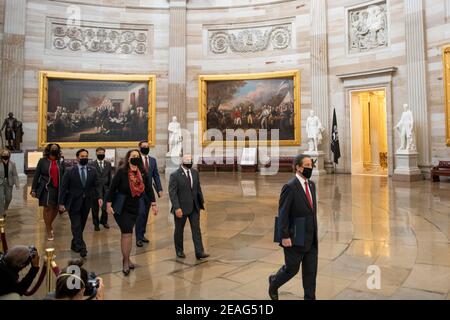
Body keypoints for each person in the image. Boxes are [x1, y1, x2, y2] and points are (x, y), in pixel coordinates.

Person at [269, 154, 318, 300]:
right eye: (307, 166)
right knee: (291, 269)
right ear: (298, 167)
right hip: (295, 235)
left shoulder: (311, 185)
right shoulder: (290, 187)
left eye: (311, 165)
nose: (310, 168)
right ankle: (274, 282)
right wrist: (284, 236)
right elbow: (283, 213)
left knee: (310, 272)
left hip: (311, 238)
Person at [106, 149, 157, 275]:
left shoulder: (142, 172)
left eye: (137, 156)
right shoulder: (121, 172)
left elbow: (149, 189)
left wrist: (154, 203)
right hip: (122, 206)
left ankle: (127, 259)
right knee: (127, 233)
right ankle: (125, 261)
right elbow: (112, 189)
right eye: (133, 156)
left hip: (135, 206)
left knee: (129, 233)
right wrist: (108, 204)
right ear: (128, 158)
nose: (135, 158)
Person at [59, 149, 102, 258]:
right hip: (73, 203)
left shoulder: (92, 170)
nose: (84, 158)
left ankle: (74, 244)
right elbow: (63, 188)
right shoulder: (70, 171)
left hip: (87, 202)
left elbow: (97, 185)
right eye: (82, 156)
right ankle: (82, 247)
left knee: (81, 225)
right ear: (77, 158)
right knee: (76, 225)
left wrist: (99, 197)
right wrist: (61, 203)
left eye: (86, 156)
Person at [168, 154, 209, 260]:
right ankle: (179, 250)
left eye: (190, 160)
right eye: (187, 160)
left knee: (196, 229)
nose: (189, 162)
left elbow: (198, 188)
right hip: (181, 208)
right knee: (179, 230)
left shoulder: (195, 173)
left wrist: (201, 203)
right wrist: (176, 207)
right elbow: (172, 193)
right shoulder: (175, 175)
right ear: (182, 161)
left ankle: (199, 252)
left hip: (195, 206)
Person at [31, 144, 65, 241]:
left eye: (56, 148)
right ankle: (48, 229)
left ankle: (48, 224)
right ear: (48, 150)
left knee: (55, 208)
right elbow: (36, 175)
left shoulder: (60, 161)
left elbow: (65, 173)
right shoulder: (42, 161)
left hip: (58, 188)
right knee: (47, 207)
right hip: (46, 187)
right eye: (52, 147)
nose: (54, 149)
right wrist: (33, 189)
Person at [135, 141, 162, 247]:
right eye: (144, 147)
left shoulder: (153, 160)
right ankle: (138, 238)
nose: (146, 148)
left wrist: (159, 188)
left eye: (147, 147)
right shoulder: (136, 160)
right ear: (139, 147)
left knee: (146, 214)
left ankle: (142, 234)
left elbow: (156, 175)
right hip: (138, 191)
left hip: (149, 192)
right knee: (140, 213)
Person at [90, 147, 112, 231]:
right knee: (95, 208)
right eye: (99, 152)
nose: (101, 154)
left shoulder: (108, 164)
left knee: (105, 207)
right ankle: (96, 224)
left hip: (106, 189)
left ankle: (104, 221)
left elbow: (110, 176)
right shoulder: (91, 164)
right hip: (95, 189)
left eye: (102, 152)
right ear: (96, 153)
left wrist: (110, 188)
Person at [0, 149, 20, 217]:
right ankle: (2, 213)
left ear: (9, 155)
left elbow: (15, 174)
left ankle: (5, 209)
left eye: (7, 154)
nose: (5, 155)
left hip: (9, 182)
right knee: (1, 198)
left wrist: (17, 184)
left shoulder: (12, 164)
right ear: (1, 155)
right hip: (0, 183)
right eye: (4, 154)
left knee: (8, 198)